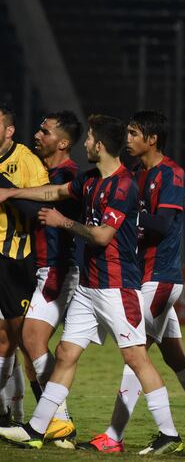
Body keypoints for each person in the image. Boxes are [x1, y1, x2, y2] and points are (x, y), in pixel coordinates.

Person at [0, 114, 182, 454]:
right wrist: (12, 191)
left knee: (136, 359)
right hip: (89, 286)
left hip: (117, 287)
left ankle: (169, 433)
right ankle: (38, 428)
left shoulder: (124, 185)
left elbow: (101, 235)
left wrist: (62, 220)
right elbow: (54, 190)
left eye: (89, 140)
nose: (85, 144)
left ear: (99, 145)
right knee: (66, 353)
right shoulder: (90, 180)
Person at [77, 110, 185, 454]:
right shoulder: (134, 176)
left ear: (152, 138)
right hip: (140, 277)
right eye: (126, 132)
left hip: (159, 277)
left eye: (133, 133)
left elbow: (162, 224)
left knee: (135, 354)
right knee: (177, 359)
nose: (126, 139)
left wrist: (123, 218)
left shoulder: (170, 174)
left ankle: (115, 436)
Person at [19, 111, 81, 447]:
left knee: (32, 338)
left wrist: (8, 190)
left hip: (58, 268)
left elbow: (40, 208)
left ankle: (61, 421)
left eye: (45, 131)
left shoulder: (67, 175)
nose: (38, 134)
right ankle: (56, 423)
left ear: (63, 142)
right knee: (30, 346)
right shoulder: (48, 172)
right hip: (41, 266)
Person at [0, 106, 49, 426]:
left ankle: (49, 416)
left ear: (9, 131)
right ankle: (7, 415)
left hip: (14, 259)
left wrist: (6, 187)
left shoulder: (28, 161)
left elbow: (40, 210)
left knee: (18, 340)